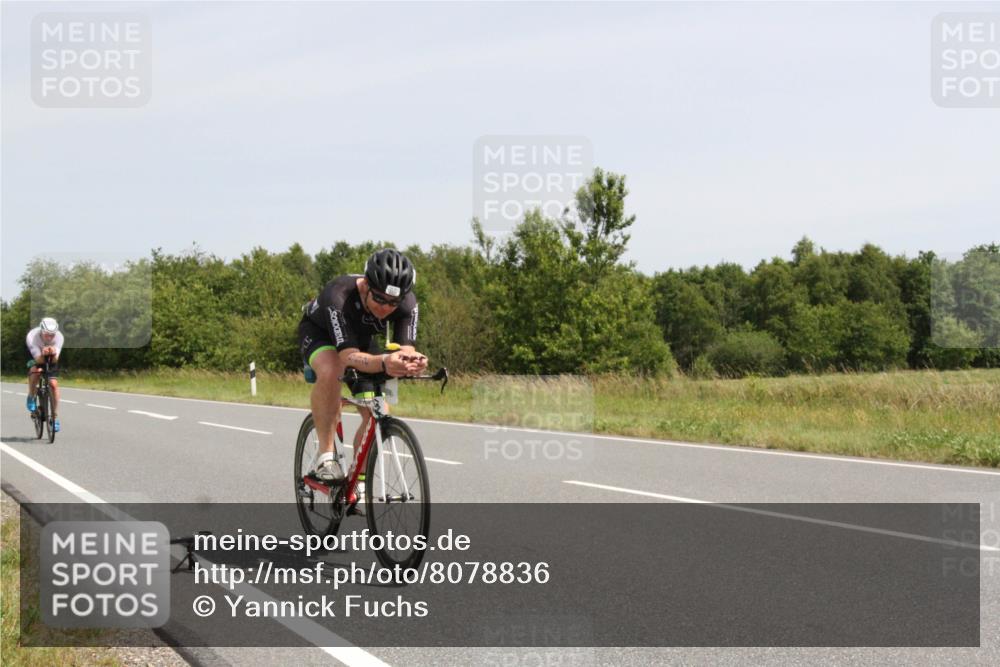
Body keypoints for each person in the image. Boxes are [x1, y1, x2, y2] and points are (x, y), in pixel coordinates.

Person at [298, 248, 428, 483]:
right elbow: (348, 356)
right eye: (379, 299)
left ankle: (356, 480)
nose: (385, 308)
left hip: (361, 341)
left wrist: (412, 360)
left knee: (377, 412)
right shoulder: (339, 293)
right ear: (366, 285)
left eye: (393, 303)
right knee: (332, 369)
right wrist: (384, 362)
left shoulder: (407, 303)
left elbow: (405, 347)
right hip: (320, 334)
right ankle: (326, 457)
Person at [26, 317, 64, 432]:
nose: (49, 337)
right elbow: (38, 360)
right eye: (47, 334)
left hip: (51, 358)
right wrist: (43, 353)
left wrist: (52, 354)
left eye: (52, 335)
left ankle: (54, 417)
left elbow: (55, 360)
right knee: (36, 372)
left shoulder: (59, 337)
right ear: (41, 331)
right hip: (35, 356)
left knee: (53, 385)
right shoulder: (32, 337)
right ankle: (31, 396)